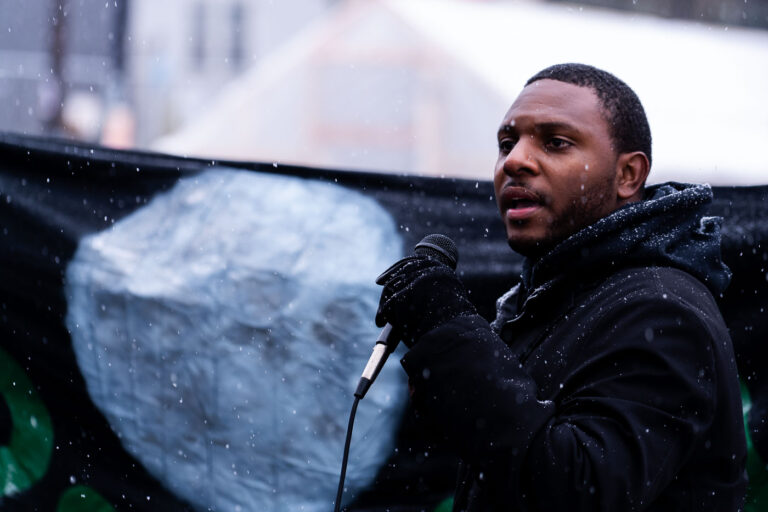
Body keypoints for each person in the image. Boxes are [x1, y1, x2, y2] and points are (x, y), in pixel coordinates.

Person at [375, 63, 747, 511]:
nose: (514, 161)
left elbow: (578, 489)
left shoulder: (661, 310)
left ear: (628, 175)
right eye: (506, 143)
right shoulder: (552, 300)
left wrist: (450, 333)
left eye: (556, 142)